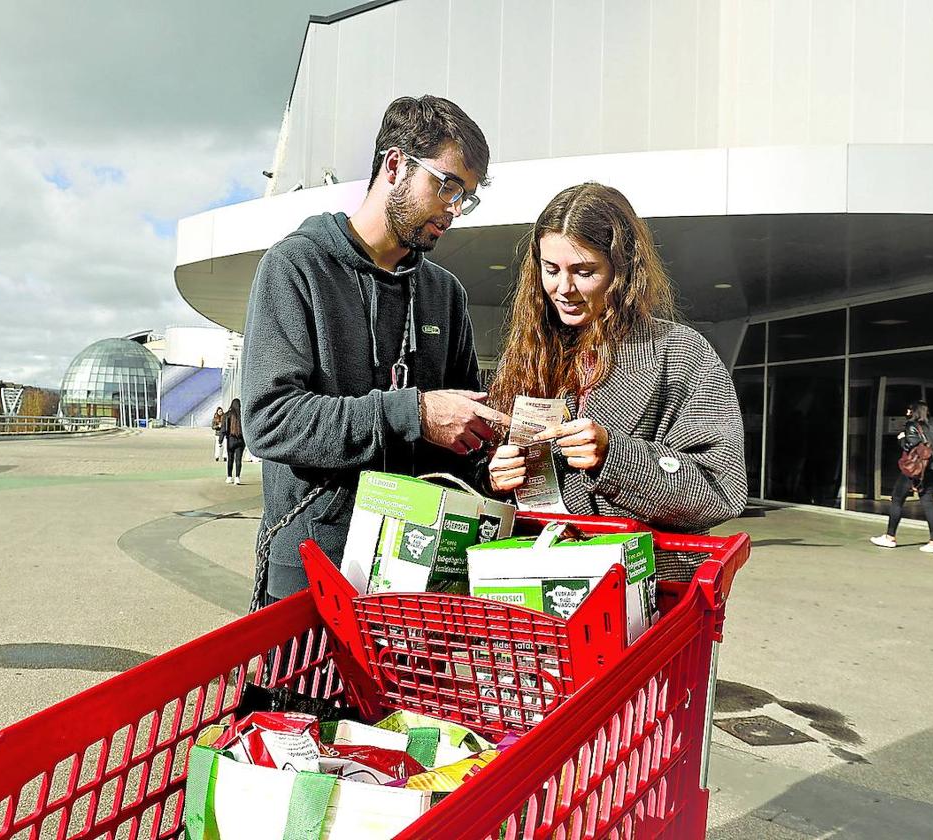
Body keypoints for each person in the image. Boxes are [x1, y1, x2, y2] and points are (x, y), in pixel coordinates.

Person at [242, 95, 509, 605]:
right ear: (395, 165)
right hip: (312, 566)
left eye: (466, 197)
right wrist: (416, 412)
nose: (453, 211)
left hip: (419, 570)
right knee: (301, 690)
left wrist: (494, 461)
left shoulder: (444, 294)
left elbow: (461, 432)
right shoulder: (296, 267)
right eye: (447, 186)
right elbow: (269, 421)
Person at [486, 183, 748, 580]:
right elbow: (486, 464)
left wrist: (615, 456)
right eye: (550, 269)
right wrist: (495, 475)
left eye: (584, 271)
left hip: (646, 592)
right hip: (534, 582)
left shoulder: (680, 353)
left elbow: (722, 491)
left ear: (623, 269)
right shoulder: (525, 355)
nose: (563, 289)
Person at [870, 400, 933, 554]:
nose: (907, 412)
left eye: (909, 409)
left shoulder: (912, 425)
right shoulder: (931, 428)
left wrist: (901, 438)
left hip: (915, 470)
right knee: (929, 503)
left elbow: (909, 445)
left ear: (914, 412)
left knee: (897, 500)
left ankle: (890, 537)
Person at [223, 398, 245, 485]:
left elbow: (224, 429)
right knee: (238, 460)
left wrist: (221, 440)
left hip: (230, 440)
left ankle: (229, 477)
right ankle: (237, 478)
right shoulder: (242, 415)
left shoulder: (227, 415)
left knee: (230, 459)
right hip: (240, 440)